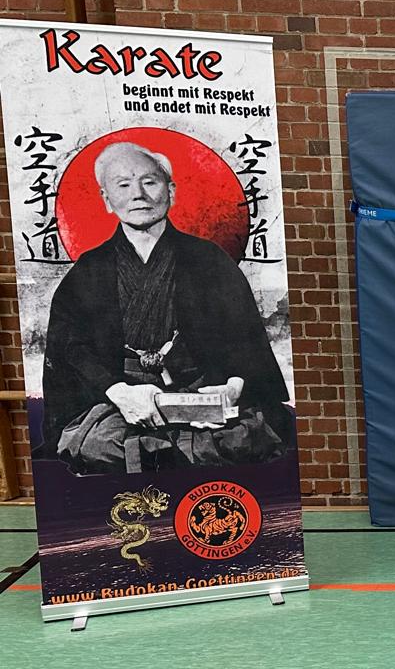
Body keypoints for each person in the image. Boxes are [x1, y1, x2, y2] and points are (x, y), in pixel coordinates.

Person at [42, 141, 291, 475]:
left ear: (170, 190)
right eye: (123, 185)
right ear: (106, 200)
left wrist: (232, 388)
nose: (138, 195)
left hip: (199, 393)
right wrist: (120, 393)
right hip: (123, 400)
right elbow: (72, 347)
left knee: (242, 440)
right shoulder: (90, 269)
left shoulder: (209, 260)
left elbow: (243, 336)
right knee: (101, 446)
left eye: (149, 182)